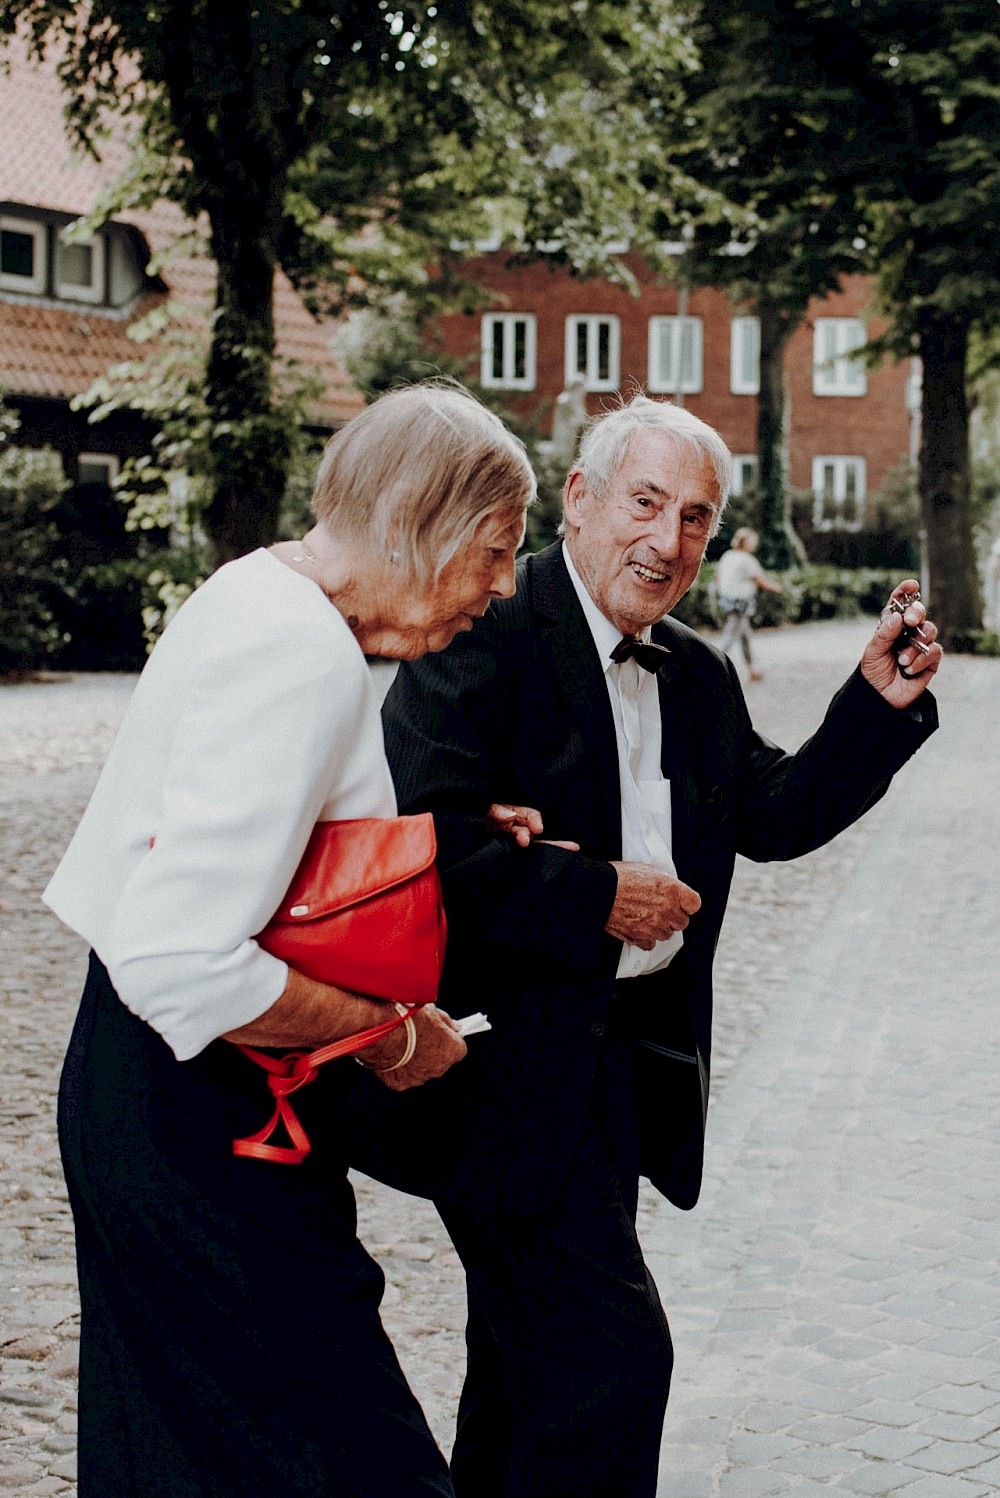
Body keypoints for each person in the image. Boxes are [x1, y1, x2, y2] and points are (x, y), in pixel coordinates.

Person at [349, 394, 942, 1498]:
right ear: (578, 500)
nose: (668, 542)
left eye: (696, 520)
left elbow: (768, 814)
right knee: (610, 1366)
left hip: (621, 1071)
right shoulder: (486, 626)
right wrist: (594, 896)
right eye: (646, 502)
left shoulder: (694, 669)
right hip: (503, 1071)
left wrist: (873, 705)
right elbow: (421, 840)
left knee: (525, 1373)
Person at [43, 382, 537, 1498]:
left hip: (153, 1102)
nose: (505, 585)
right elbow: (179, 960)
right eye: (497, 549)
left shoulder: (257, 593)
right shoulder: (301, 654)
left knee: (178, 1456)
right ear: (423, 521)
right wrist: (386, 1035)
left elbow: (275, 843)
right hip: (199, 1122)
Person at [714, 525, 782, 680]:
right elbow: (760, 581)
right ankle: (707, 666)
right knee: (730, 636)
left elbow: (717, 577)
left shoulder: (727, 555)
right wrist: (777, 588)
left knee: (744, 636)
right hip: (740, 603)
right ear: (747, 543)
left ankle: (752, 670)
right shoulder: (747, 560)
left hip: (728, 601)